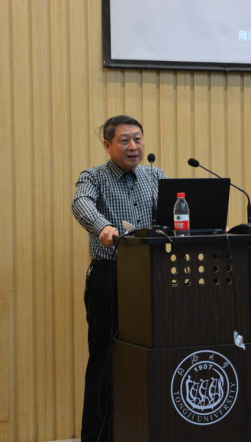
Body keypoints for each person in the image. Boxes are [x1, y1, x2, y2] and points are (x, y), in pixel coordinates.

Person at [72, 115, 167, 441]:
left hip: (152, 277)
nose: (133, 146)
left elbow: (176, 215)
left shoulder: (155, 176)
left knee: (153, 356)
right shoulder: (94, 176)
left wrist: (207, 225)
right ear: (107, 144)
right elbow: (81, 204)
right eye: (124, 140)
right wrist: (103, 227)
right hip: (110, 277)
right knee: (104, 360)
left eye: (138, 139)